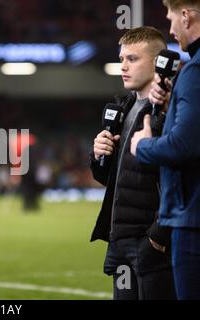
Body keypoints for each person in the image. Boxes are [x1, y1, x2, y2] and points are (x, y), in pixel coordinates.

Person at [90, 27, 176, 300]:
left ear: (156, 61)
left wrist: (157, 237)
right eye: (121, 59)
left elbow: (182, 176)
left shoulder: (172, 111)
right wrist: (99, 156)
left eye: (132, 59)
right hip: (121, 240)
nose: (123, 66)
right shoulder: (123, 108)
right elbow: (114, 179)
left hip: (151, 242)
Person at [131, 0, 200, 299]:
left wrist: (142, 145)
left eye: (171, 19)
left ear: (186, 16)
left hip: (192, 219)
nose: (170, 30)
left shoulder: (195, 71)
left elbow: (183, 145)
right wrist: (174, 105)